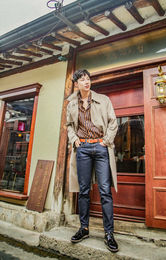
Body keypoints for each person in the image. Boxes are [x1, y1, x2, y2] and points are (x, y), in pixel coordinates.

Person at [66, 69, 118, 252]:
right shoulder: (71, 104)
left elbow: (113, 122)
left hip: (101, 147)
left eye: (88, 79)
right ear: (77, 83)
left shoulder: (103, 99)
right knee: (84, 190)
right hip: (83, 149)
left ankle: (109, 233)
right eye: (82, 79)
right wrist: (75, 141)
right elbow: (69, 126)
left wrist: (106, 141)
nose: (87, 82)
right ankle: (84, 228)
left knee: (105, 191)